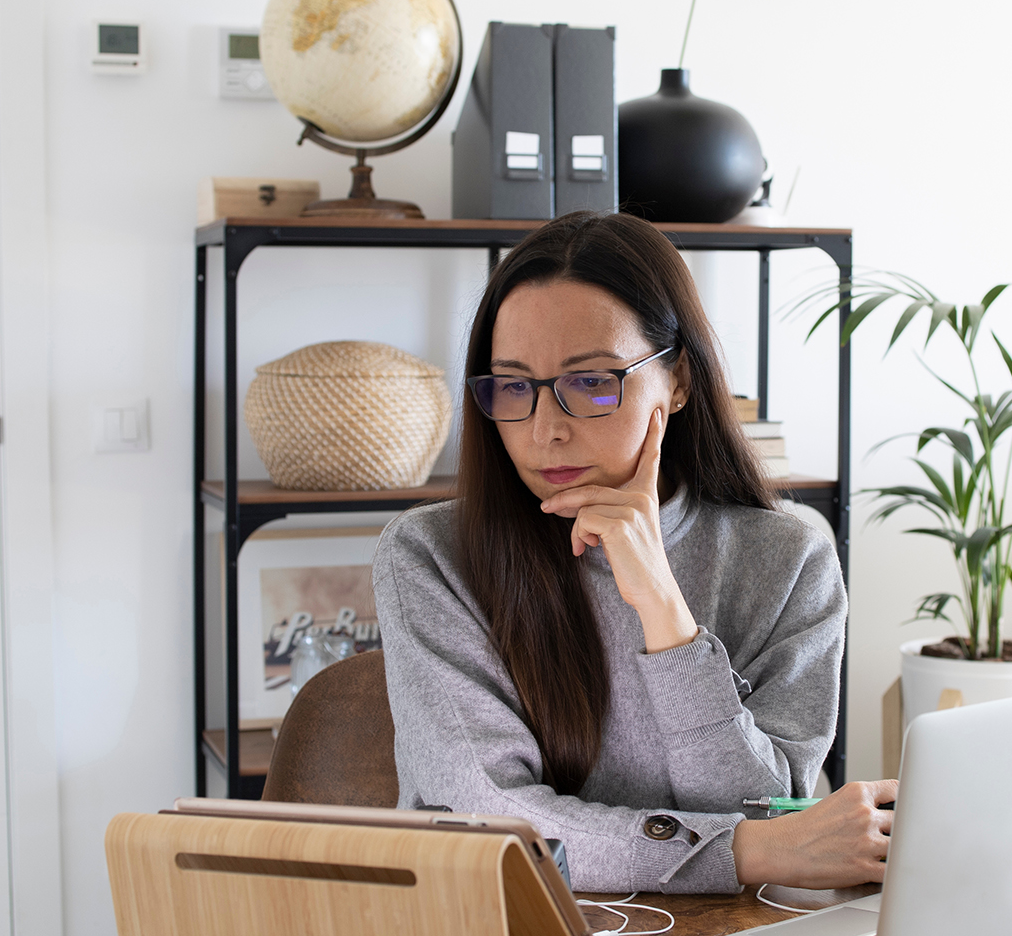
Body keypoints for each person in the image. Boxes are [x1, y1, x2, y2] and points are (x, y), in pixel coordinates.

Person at [373, 212, 895, 893]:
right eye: (512, 388)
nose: (545, 431)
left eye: (591, 383)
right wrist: (747, 853)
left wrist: (662, 607)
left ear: (677, 381)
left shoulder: (789, 558)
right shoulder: (431, 556)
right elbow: (489, 819)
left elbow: (767, 805)